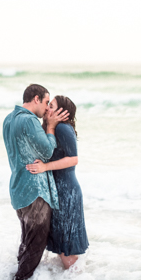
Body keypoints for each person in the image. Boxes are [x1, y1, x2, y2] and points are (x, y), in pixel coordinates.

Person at [3, 84, 69, 280]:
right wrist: (50, 127)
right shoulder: (29, 121)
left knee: (27, 241)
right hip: (34, 191)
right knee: (35, 243)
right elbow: (48, 152)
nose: (47, 107)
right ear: (36, 99)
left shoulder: (9, 119)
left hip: (18, 189)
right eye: (46, 102)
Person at [26, 95, 89, 269]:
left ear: (62, 112)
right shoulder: (52, 128)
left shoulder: (63, 128)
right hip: (58, 191)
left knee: (66, 247)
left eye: (51, 106)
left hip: (66, 192)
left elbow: (73, 159)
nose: (47, 109)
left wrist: (45, 167)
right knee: (63, 242)